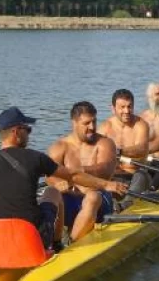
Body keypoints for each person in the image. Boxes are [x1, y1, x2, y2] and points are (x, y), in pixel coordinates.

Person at [0, 106, 127, 268]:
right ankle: (57, 246)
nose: (29, 134)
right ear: (16, 132)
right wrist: (107, 184)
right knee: (52, 192)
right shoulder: (35, 158)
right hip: (33, 239)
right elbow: (73, 176)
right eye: (27, 129)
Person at [47, 101, 122, 242]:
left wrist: (75, 173)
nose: (92, 127)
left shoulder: (105, 143)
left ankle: (71, 244)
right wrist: (59, 183)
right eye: (87, 123)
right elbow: (49, 175)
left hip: (99, 199)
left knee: (92, 197)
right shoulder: (59, 146)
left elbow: (105, 171)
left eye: (94, 121)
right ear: (74, 123)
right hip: (70, 197)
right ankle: (50, 243)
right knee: (48, 197)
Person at [97, 89, 151, 193]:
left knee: (142, 175)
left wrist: (118, 151)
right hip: (112, 178)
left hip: (134, 176)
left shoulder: (141, 125)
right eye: (122, 107)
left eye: (129, 106)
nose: (127, 111)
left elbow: (142, 149)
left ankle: (125, 205)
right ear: (113, 109)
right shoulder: (105, 127)